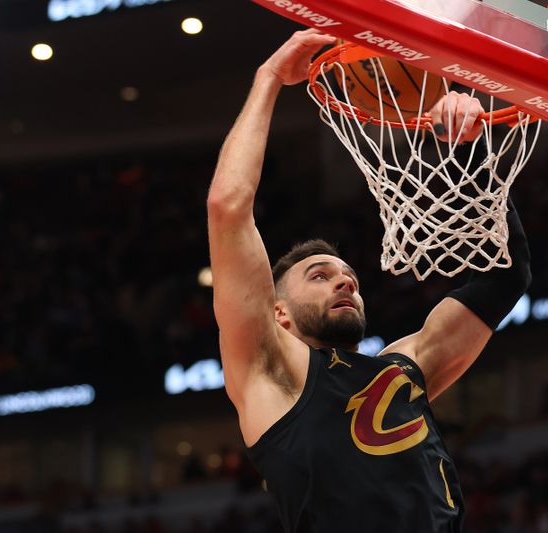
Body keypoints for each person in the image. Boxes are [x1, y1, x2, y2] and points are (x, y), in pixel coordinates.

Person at [207, 29, 531, 533]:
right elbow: (227, 209)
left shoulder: (403, 370)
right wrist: (268, 77)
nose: (345, 283)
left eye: (349, 277)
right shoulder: (268, 374)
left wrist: (469, 150)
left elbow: (505, 278)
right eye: (320, 276)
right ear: (279, 312)